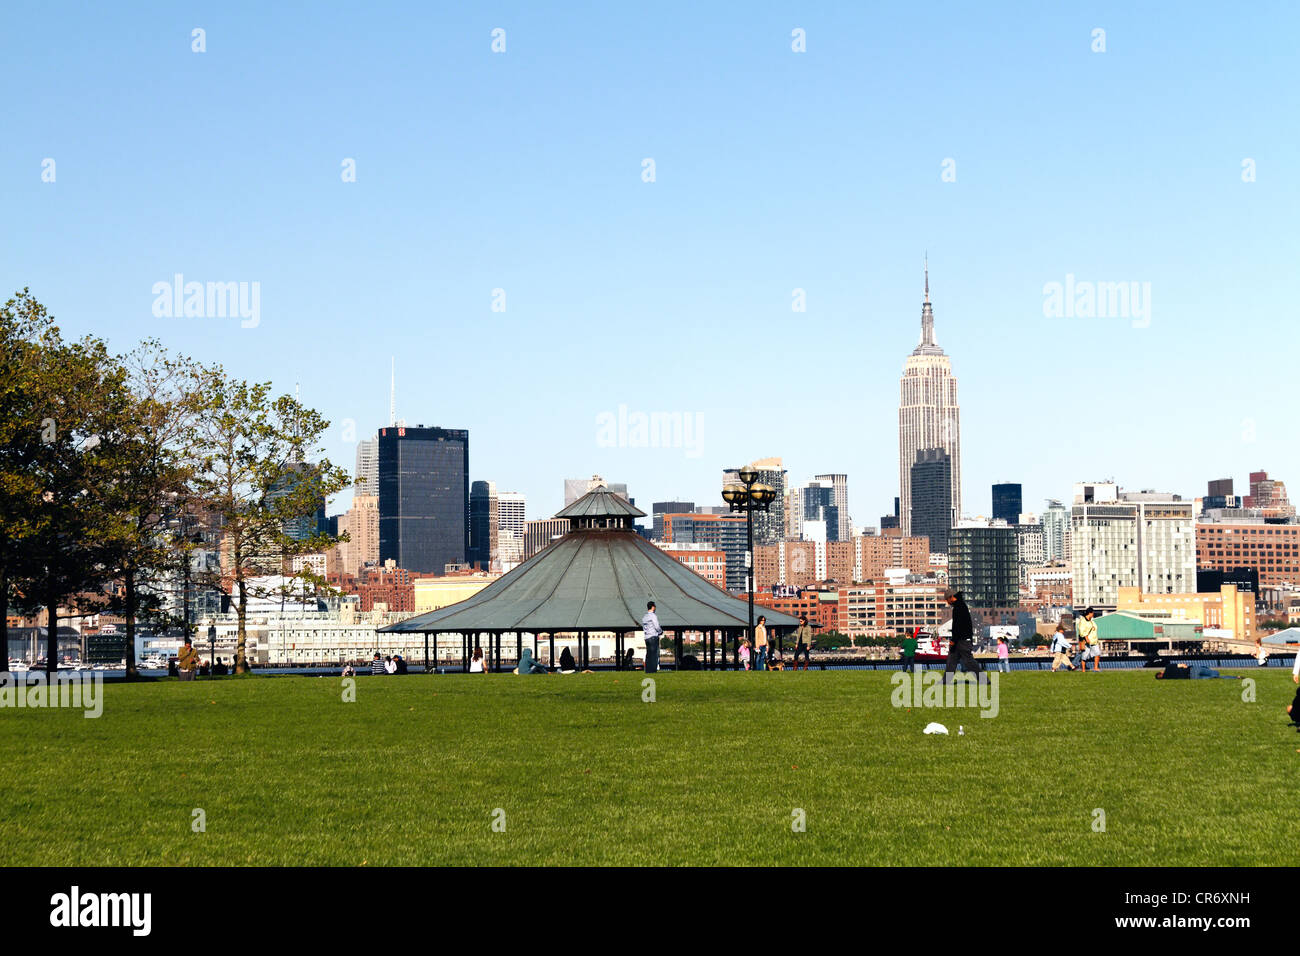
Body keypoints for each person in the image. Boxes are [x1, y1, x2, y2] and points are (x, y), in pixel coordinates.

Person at [942, 588, 984, 683]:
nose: (947, 602)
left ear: (951, 597)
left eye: (947, 600)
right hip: (962, 639)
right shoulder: (962, 606)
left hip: (962, 640)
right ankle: (945, 681)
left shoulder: (958, 608)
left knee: (968, 661)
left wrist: (953, 639)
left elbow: (957, 626)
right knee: (951, 660)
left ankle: (983, 679)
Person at [642, 601, 663, 675]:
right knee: (654, 654)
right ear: (653, 607)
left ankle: (648, 670)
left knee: (648, 654)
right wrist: (660, 631)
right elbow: (656, 626)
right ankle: (653, 670)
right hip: (653, 636)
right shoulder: (653, 616)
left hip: (646, 637)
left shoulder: (645, 617)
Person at [1156, 662, 1240, 680]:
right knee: (1214, 673)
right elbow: (1182, 665)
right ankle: (1215, 673)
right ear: (1161, 672)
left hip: (1192, 677)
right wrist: (1184, 666)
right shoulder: (1168, 667)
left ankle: (1236, 677)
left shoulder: (1168, 679)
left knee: (1216, 678)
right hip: (1192, 670)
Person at [1077, 607, 1100, 672]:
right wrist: (1086, 638)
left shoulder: (1091, 621)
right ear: (1090, 613)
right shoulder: (1083, 621)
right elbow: (1082, 631)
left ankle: (1095, 668)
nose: (1093, 614)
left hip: (1094, 641)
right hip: (1087, 641)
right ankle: (1083, 670)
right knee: (1084, 656)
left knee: (1097, 654)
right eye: (1092, 613)